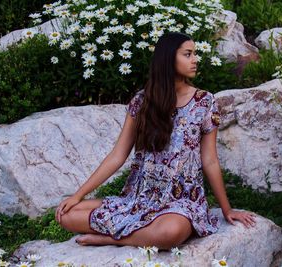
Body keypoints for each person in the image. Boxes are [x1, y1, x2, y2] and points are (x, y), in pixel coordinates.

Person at [55, 32, 256, 250]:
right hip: (139, 198)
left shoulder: (204, 102)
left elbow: (210, 161)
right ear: (168, 59)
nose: (195, 59)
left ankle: (111, 238)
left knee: (170, 232)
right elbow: (117, 155)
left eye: (195, 54)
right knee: (67, 215)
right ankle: (138, 233)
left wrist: (227, 210)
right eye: (188, 54)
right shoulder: (142, 101)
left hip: (181, 202)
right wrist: (78, 195)